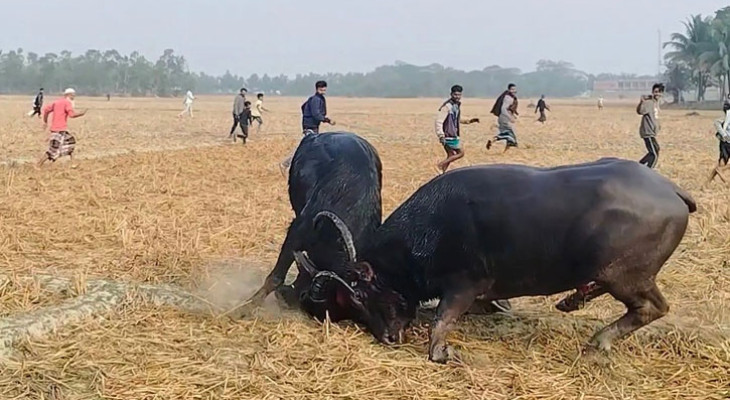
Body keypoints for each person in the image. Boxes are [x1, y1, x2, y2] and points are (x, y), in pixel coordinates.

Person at [279, 80, 336, 175]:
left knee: (312, 146)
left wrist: (306, 114)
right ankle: (286, 163)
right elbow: (316, 114)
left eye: (324, 88)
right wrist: (327, 120)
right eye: (322, 88)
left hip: (311, 124)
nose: (324, 90)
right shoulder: (316, 99)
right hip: (310, 126)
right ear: (318, 89)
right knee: (304, 147)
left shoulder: (316, 98)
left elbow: (303, 107)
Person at [36, 88, 87, 168]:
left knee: (71, 143)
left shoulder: (57, 102)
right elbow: (72, 115)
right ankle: (38, 164)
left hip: (57, 129)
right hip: (59, 129)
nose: (74, 97)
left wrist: (45, 121)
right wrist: (81, 113)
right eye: (73, 95)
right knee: (53, 149)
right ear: (68, 95)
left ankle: (73, 163)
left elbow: (46, 110)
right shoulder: (67, 103)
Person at [434, 85, 479, 173]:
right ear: (451, 94)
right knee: (460, 153)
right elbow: (439, 121)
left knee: (450, 155)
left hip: (452, 133)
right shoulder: (447, 107)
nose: (457, 97)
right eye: (455, 95)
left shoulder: (455, 106)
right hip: (448, 135)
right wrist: (441, 135)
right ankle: (440, 165)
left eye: (459, 95)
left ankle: (442, 173)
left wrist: (469, 121)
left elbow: (457, 119)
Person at [636, 83, 664, 169]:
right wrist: (641, 102)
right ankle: (649, 172)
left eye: (659, 92)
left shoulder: (656, 103)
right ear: (652, 92)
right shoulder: (649, 103)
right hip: (647, 132)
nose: (657, 94)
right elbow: (640, 111)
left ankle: (639, 165)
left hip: (652, 132)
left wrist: (658, 126)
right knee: (654, 155)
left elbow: (655, 117)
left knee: (656, 149)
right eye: (655, 92)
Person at [487, 83, 519, 152]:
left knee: (510, 134)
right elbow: (504, 109)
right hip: (504, 118)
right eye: (512, 89)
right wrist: (510, 117)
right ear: (509, 90)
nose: (514, 91)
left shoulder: (511, 98)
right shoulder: (508, 98)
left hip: (506, 118)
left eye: (514, 89)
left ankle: (506, 151)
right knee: (509, 134)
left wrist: (513, 116)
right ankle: (493, 139)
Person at [706, 100, 730, 185]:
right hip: (726, 142)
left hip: (726, 143)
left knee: (721, 165)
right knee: (721, 166)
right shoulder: (725, 117)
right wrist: (724, 134)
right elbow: (716, 123)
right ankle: (725, 180)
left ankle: (706, 183)